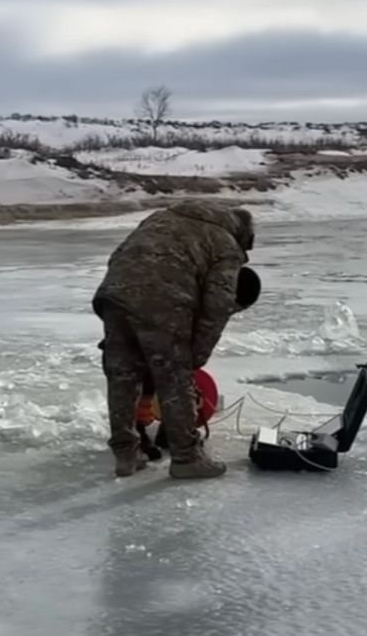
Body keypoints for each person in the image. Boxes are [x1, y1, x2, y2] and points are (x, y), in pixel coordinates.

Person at [92, 201, 255, 478]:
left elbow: (120, 255)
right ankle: (186, 457)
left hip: (114, 295)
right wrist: (195, 356)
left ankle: (126, 453)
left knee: (122, 375)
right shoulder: (225, 243)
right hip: (163, 300)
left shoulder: (162, 217)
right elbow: (218, 304)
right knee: (174, 378)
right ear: (242, 235)